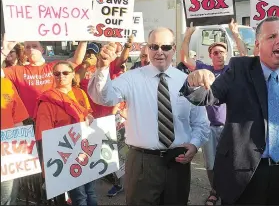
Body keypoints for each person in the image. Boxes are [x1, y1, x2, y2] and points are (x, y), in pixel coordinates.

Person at [179, 16, 279, 205]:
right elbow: (207, 97)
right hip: (247, 177)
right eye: (271, 36)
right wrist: (194, 81)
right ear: (258, 45)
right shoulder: (239, 70)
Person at [87, 27, 210, 205]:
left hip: (178, 161)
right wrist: (103, 68)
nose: (160, 52)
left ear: (174, 49)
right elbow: (103, 97)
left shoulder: (187, 80)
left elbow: (200, 122)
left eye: (166, 47)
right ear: (147, 49)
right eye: (154, 46)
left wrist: (194, 144)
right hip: (142, 163)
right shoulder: (131, 78)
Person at [181, 23, 239, 205]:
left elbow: (246, 56)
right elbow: (183, 58)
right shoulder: (204, 68)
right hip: (209, 126)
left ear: (226, 55)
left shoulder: (232, 70)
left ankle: (231, 190)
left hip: (229, 126)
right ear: (210, 56)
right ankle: (215, 190)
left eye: (222, 52)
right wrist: (188, 35)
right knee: (211, 163)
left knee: (233, 162)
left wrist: (235, 34)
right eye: (215, 52)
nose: (219, 54)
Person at [34, 61, 97, 206]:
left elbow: (87, 113)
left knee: (91, 192)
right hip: (66, 156)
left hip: (85, 150)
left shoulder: (80, 93)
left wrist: (89, 117)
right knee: (80, 196)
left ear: (73, 75)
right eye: (56, 73)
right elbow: (44, 137)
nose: (60, 76)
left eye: (65, 73)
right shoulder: (46, 101)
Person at [1, 40, 87, 118]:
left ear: (42, 50)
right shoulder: (17, 70)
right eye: (28, 47)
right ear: (25, 52)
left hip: (55, 116)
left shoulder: (54, 67)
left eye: (35, 46)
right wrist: (4, 53)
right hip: (30, 120)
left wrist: (84, 40)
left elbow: (76, 61)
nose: (31, 49)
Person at [1, 77, 29, 205]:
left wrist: (22, 149)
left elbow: (18, 119)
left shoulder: (6, 83)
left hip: (8, 150)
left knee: (9, 195)